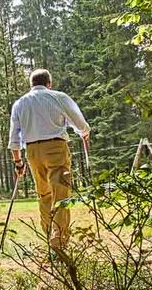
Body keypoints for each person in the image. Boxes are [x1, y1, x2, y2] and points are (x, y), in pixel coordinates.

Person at [8, 69, 90, 251]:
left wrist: (18, 162)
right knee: (61, 195)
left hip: (32, 152)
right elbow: (80, 124)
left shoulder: (20, 103)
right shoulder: (58, 97)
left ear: (31, 85)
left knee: (44, 194)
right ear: (49, 83)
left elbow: (14, 139)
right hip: (55, 148)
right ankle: (58, 243)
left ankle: (48, 236)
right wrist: (84, 133)